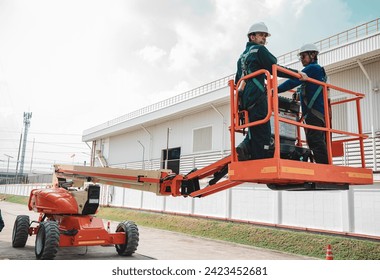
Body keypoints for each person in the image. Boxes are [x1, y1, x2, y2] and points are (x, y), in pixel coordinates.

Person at [235, 22, 306, 161]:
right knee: (264, 131)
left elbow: (238, 79)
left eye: (265, 36)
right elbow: (274, 67)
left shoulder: (241, 57)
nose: (264, 39)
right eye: (261, 35)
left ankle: (245, 148)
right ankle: (259, 159)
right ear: (252, 37)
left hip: (245, 98)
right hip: (257, 95)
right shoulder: (259, 50)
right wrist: (297, 73)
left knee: (254, 127)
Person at [278, 43, 328, 164]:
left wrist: (274, 90)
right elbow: (309, 88)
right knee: (314, 141)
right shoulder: (315, 71)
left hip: (314, 114)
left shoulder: (313, 68)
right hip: (314, 114)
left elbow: (293, 80)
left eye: (303, 56)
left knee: (316, 142)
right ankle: (322, 167)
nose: (301, 59)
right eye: (300, 57)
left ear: (313, 55)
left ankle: (325, 169)